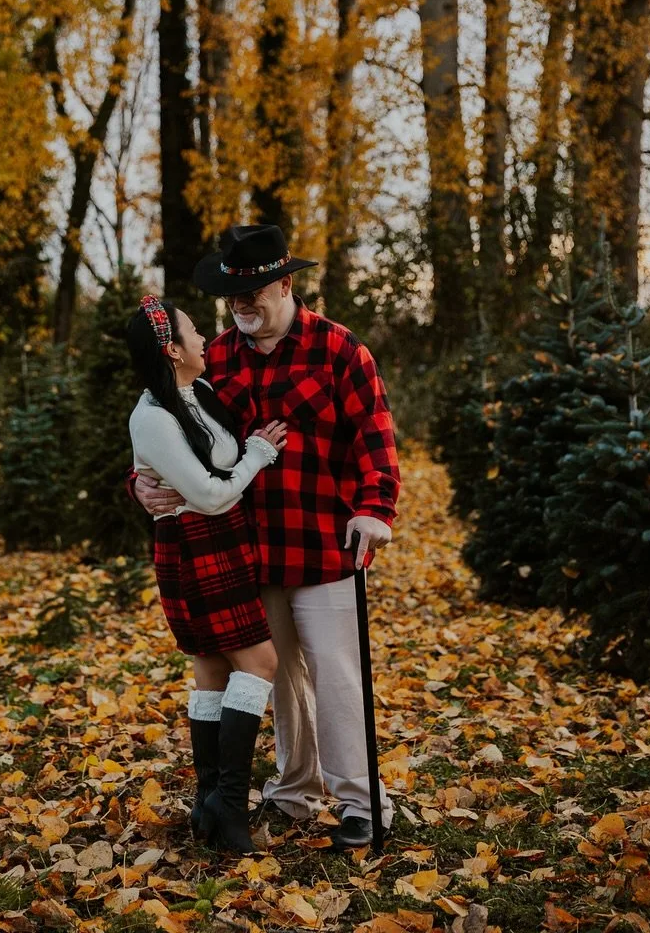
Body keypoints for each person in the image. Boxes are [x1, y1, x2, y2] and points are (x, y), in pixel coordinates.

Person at [132, 226, 401, 850]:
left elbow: (375, 438)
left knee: (336, 673)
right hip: (244, 548)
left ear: (286, 284)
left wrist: (375, 509)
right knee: (278, 678)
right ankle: (294, 790)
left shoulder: (340, 350)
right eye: (233, 295)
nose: (242, 305)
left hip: (324, 541)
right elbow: (169, 431)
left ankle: (361, 801)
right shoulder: (213, 358)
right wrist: (139, 484)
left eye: (254, 292)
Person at [125, 293, 291, 853]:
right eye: (194, 332)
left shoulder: (199, 393)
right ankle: (230, 801)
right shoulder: (152, 416)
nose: (206, 339)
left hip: (223, 543)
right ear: (172, 349)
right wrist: (258, 453)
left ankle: (208, 805)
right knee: (260, 661)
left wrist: (139, 479)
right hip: (196, 546)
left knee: (214, 669)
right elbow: (210, 496)